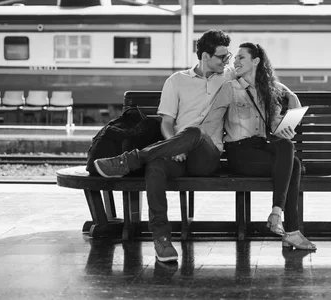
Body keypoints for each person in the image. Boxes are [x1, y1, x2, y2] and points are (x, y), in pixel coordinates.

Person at [93, 29, 235, 262]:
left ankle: (130, 160)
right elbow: (167, 123)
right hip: (176, 153)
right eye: (222, 57)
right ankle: (161, 238)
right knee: (156, 166)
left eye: (227, 57)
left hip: (207, 157)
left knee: (195, 131)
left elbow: (263, 80)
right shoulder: (176, 81)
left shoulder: (228, 77)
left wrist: (289, 96)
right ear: (205, 57)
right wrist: (174, 146)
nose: (226, 62)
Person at [202, 42, 316, 251]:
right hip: (239, 153)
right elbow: (211, 123)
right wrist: (209, 152)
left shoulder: (268, 91)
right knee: (295, 166)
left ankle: (277, 215)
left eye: (241, 57)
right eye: (235, 58)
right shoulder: (230, 89)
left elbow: (274, 126)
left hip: (261, 148)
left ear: (255, 61)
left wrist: (286, 121)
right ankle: (291, 231)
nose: (235, 61)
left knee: (287, 148)